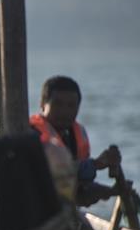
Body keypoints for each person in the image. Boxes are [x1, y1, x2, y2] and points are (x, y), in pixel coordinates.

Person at [29, 75, 121, 207]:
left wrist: (110, 191)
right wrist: (95, 164)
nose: (65, 111)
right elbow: (50, 174)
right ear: (43, 104)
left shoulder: (74, 135)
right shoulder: (32, 135)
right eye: (58, 104)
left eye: (71, 105)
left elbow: (76, 189)